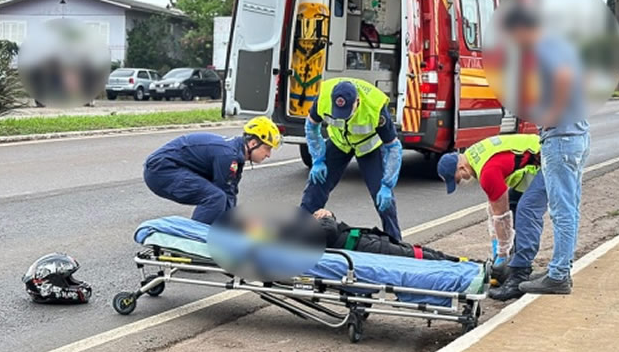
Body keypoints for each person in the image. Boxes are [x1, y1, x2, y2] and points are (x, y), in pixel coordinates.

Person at [501, 6, 590, 296]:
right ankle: (554, 268)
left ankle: (559, 275)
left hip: (561, 141)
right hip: (572, 139)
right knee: (546, 207)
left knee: (563, 212)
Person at [436, 134, 548, 300]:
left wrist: (502, 253)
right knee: (515, 204)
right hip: (538, 154)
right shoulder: (473, 155)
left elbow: (501, 216)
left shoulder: (487, 172)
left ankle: (520, 275)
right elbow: (493, 208)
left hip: (549, 158)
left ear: (461, 168)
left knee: (526, 211)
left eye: (459, 180)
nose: (463, 182)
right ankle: (516, 264)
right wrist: (498, 247)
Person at [300, 78, 403, 241]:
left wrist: (387, 184)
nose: (344, 117)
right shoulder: (324, 98)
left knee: (383, 200)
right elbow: (311, 127)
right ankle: (298, 232)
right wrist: (318, 159)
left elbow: (393, 147)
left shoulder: (375, 107)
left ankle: (396, 243)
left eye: (348, 111)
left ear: (357, 101)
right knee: (315, 187)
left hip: (369, 148)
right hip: (339, 143)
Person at [143, 116, 281, 224]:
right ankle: (192, 243)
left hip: (169, 167)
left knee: (219, 200)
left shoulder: (236, 156)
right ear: (253, 143)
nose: (269, 155)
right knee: (215, 198)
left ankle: (210, 237)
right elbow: (223, 196)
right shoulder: (228, 155)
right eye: (267, 148)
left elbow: (230, 195)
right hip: (160, 170)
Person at [312, 209, 474, 262]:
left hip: (363, 241)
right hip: (362, 247)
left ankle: (463, 261)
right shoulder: (298, 237)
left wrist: (328, 215)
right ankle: (462, 263)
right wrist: (327, 216)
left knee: (415, 251)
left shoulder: (299, 231)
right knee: (413, 254)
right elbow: (329, 232)